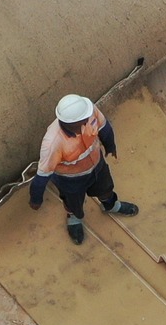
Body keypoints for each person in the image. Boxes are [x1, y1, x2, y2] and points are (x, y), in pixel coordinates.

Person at [28, 95, 138, 245]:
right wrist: (36, 199)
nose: (88, 120)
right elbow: (42, 176)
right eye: (83, 120)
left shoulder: (88, 110)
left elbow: (103, 127)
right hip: (71, 180)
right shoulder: (53, 143)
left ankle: (111, 205)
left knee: (106, 188)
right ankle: (74, 217)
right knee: (73, 202)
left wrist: (110, 145)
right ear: (69, 123)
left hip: (97, 166)